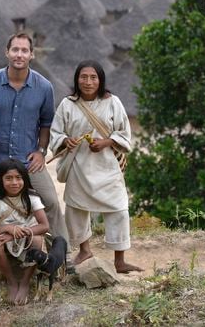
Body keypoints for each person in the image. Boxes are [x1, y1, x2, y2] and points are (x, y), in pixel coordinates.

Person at [0, 32, 70, 247]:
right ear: (7, 52)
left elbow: (46, 123)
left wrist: (41, 151)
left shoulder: (44, 87)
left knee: (51, 202)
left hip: (28, 163)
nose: (19, 54)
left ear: (32, 55)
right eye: (15, 49)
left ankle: (63, 253)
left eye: (24, 50)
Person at [50, 60, 143, 273]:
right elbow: (56, 133)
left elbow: (123, 132)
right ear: (77, 79)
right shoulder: (67, 104)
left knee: (119, 209)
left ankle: (120, 260)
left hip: (108, 167)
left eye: (93, 77)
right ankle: (85, 250)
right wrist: (66, 141)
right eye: (84, 77)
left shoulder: (113, 102)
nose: (88, 82)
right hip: (79, 166)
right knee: (76, 209)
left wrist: (106, 142)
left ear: (100, 80)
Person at [0, 158, 49, 305]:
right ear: (1, 180)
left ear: (24, 179)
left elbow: (44, 226)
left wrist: (16, 234)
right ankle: (11, 280)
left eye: (18, 178)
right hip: (3, 238)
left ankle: (24, 282)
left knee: (38, 241)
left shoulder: (32, 197)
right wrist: (5, 229)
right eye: (8, 178)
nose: (14, 183)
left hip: (27, 236)